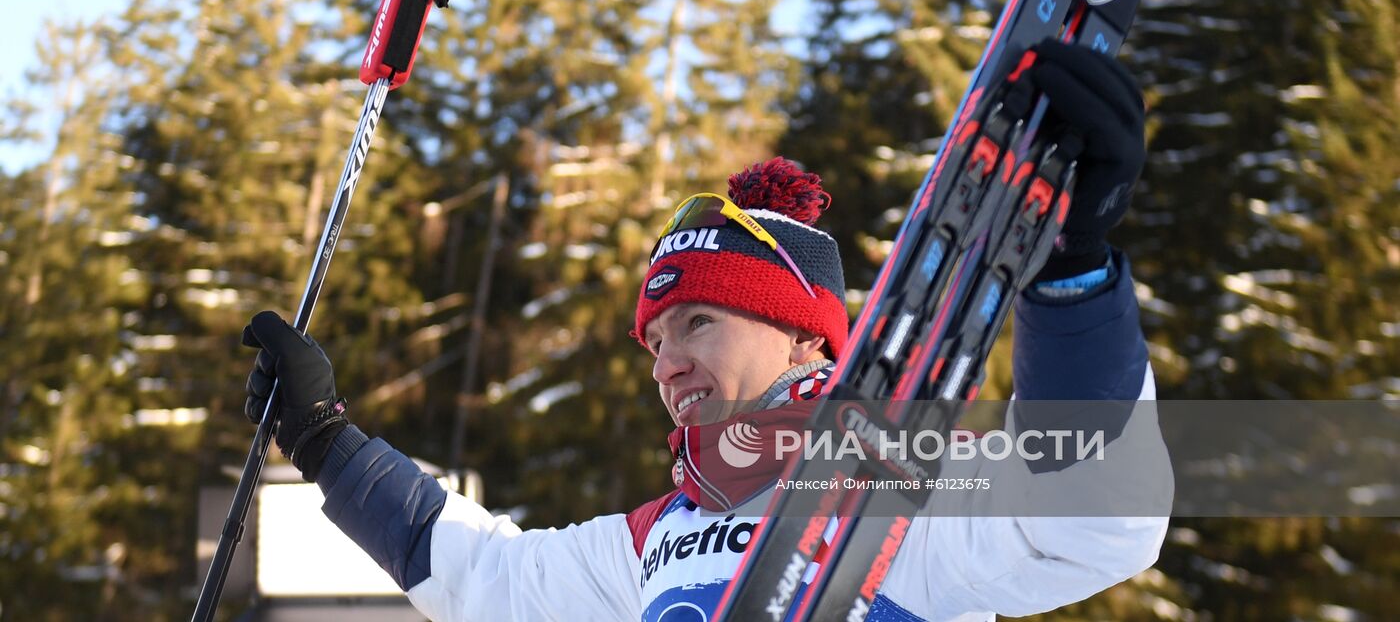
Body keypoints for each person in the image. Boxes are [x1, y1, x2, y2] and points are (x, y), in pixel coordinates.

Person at [243, 40, 1171, 621]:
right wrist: (324, 440)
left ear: (805, 337)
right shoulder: (656, 540)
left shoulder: (906, 496)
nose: (668, 362)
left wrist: (1071, 271)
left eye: (697, 322)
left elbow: (1091, 525)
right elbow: (482, 578)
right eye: (654, 341)